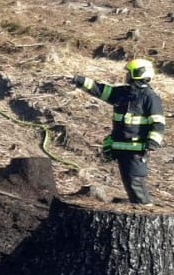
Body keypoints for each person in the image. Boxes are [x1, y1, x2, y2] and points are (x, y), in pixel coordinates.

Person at [72, 58, 167, 205]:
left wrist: (153, 142)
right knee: (129, 183)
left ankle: (146, 210)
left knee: (136, 182)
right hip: (120, 147)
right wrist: (81, 81)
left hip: (136, 150)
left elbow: (158, 123)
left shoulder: (150, 97)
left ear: (138, 74)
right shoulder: (123, 93)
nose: (126, 75)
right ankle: (138, 209)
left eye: (129, 72)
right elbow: (100, 90)